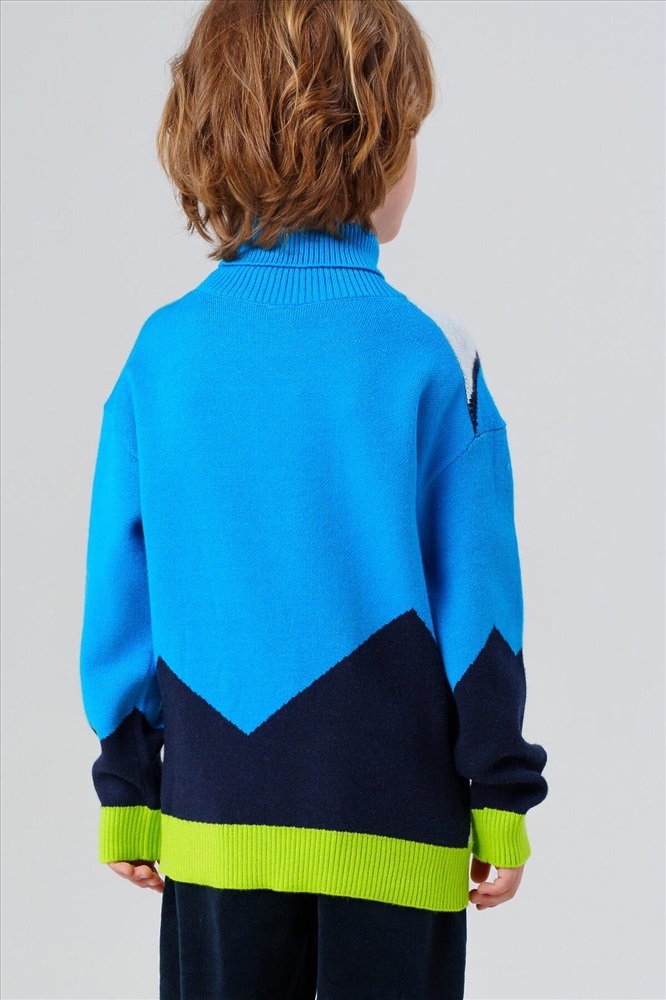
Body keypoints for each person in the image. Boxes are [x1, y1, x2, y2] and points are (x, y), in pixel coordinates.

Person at [78, 1, 549, 997]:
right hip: (396, 834)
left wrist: (127, 783)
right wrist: (500, 792)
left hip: (214, 827)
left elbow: (122, 587)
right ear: (378, 151)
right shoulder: (435, 356)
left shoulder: (161, 355)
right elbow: (481, 605)